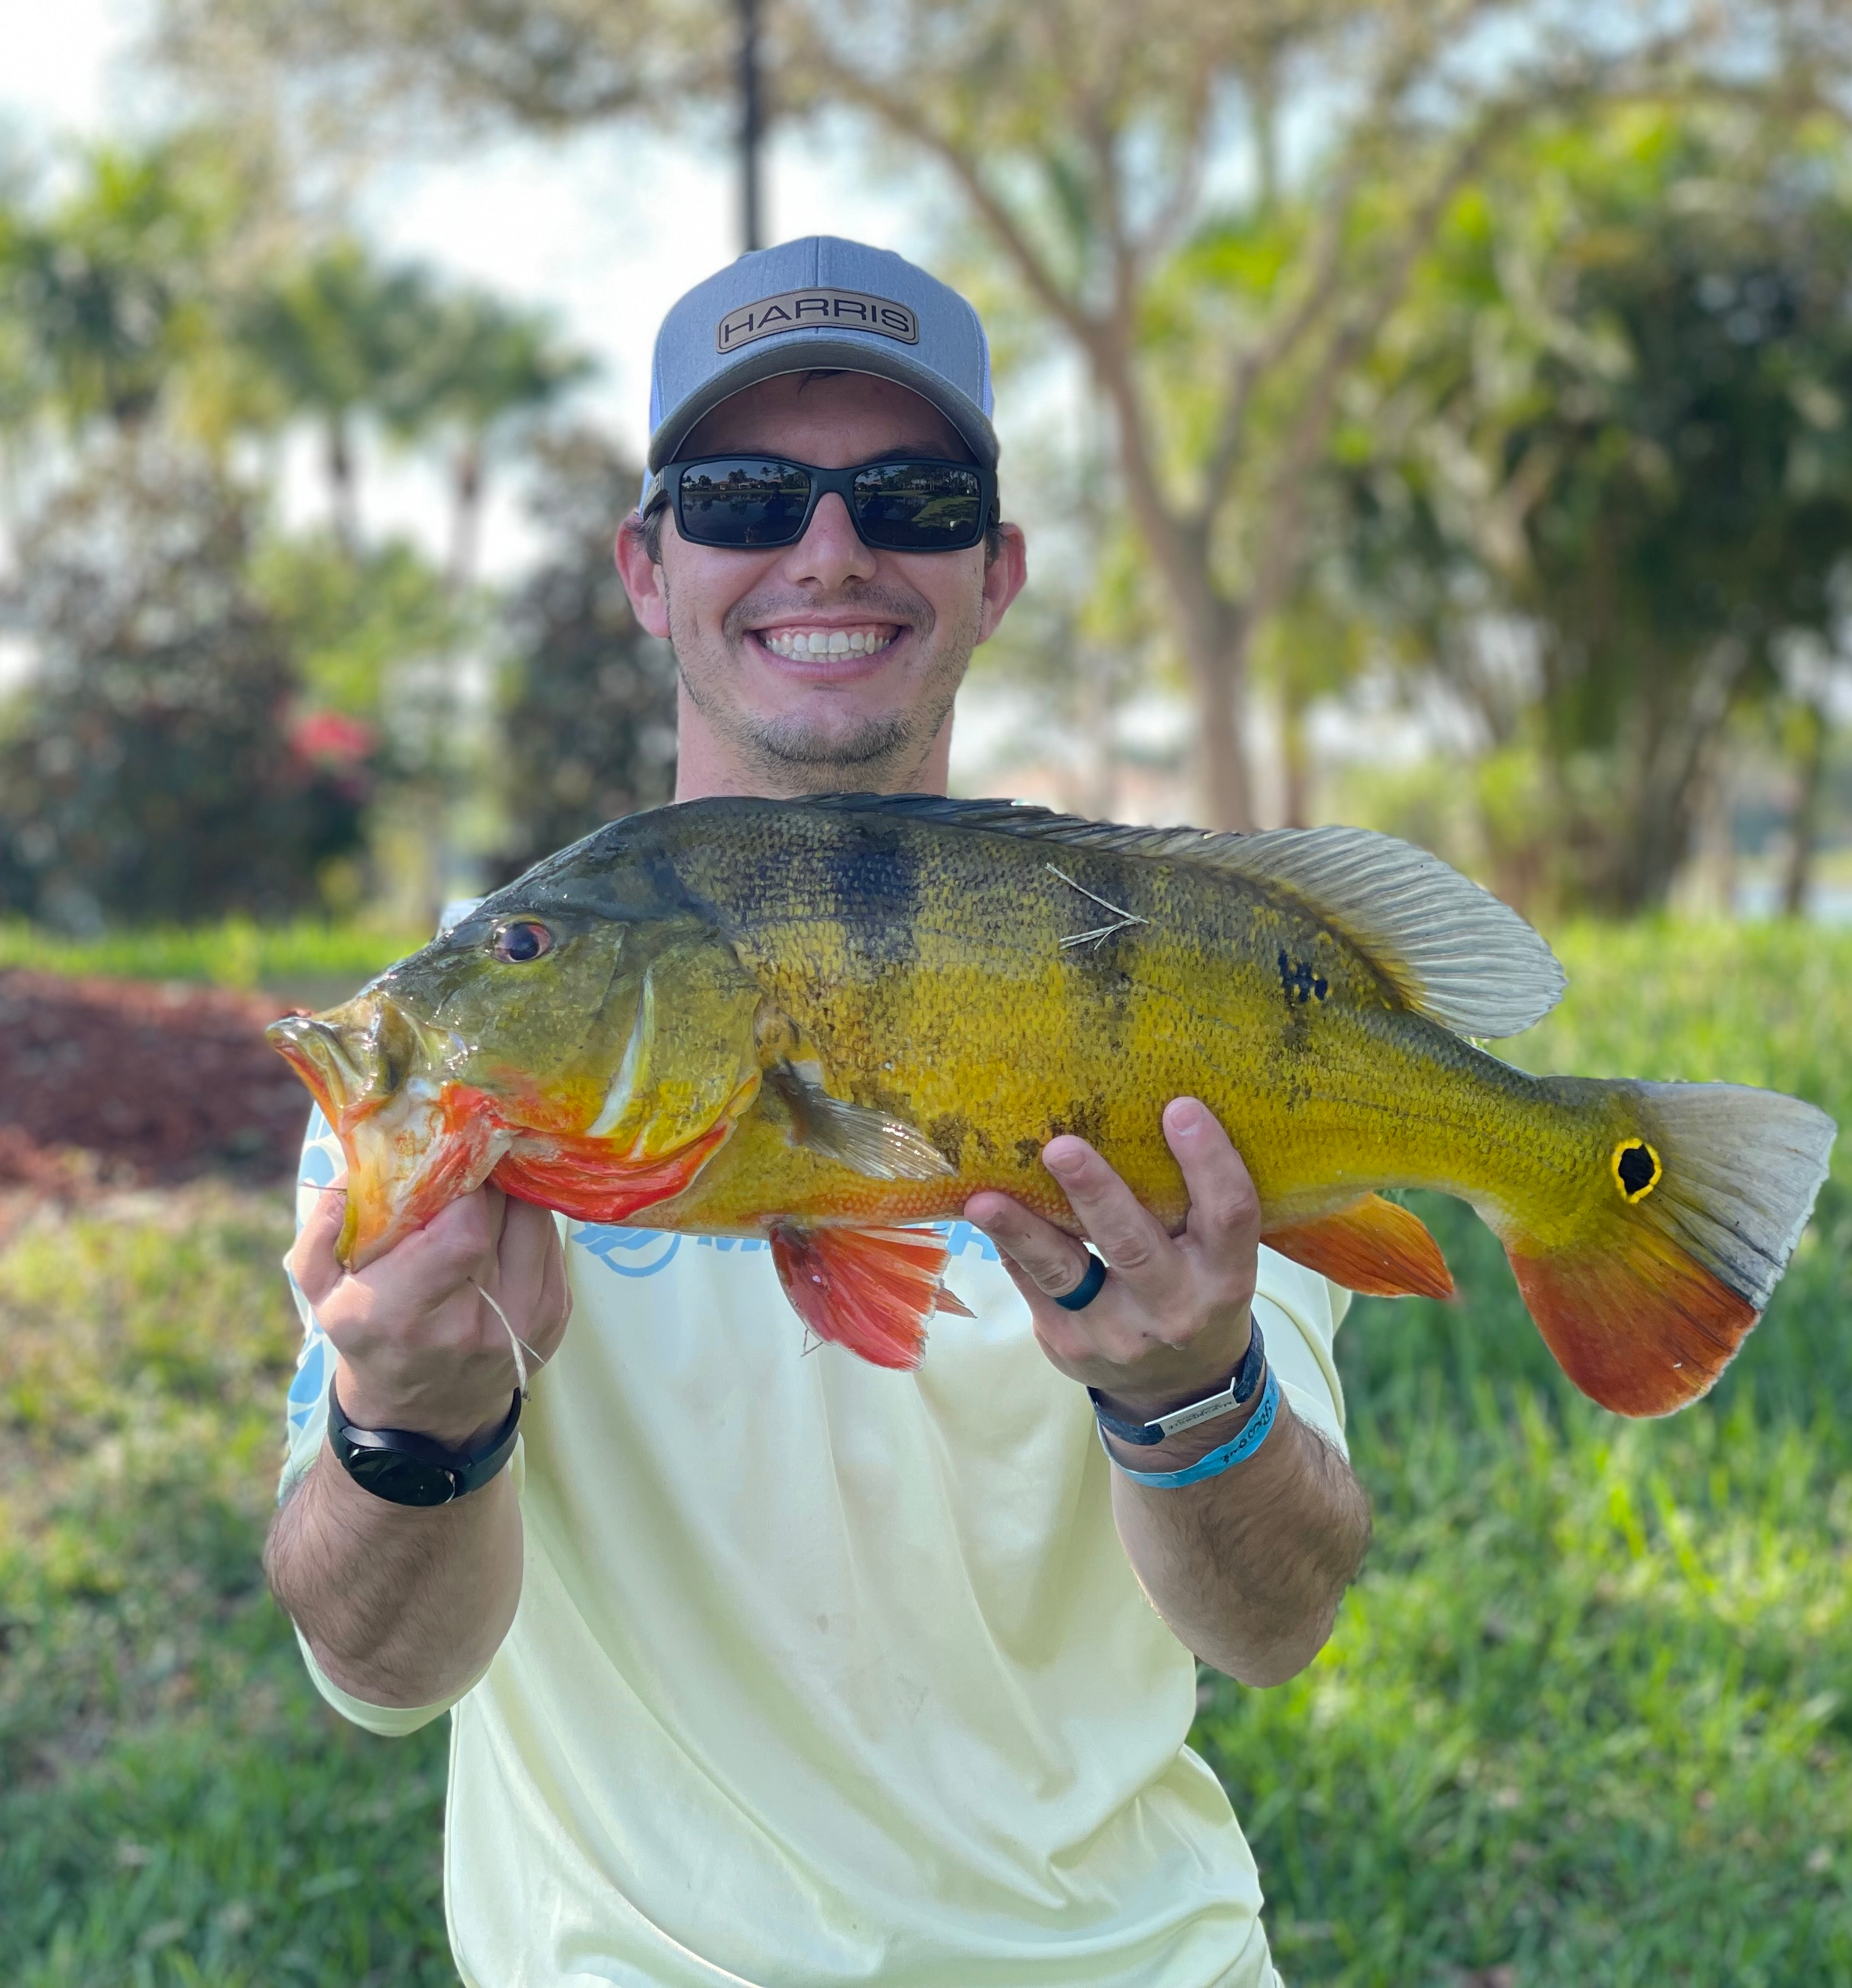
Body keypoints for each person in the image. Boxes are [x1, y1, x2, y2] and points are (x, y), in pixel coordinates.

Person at [270, 237, 1372, 1988]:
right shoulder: (464, 1046)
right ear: (650, 567)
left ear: (996, 571)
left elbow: (1275, 1623)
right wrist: (412, 1422)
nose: (831, 550)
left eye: (913, 498)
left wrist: (1191, 1392)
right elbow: (381, 1676)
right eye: (745, 497)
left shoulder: (1151, 980)